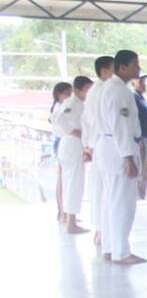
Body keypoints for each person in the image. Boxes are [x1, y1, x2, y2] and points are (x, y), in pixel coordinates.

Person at [95, 50, 145, 265]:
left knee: (110, 201)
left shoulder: (108, 87)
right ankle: (121, 251)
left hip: (107, 147)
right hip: (118, 149)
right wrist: (127, 156)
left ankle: (109, 246)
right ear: (122, 67)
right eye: (135, 65)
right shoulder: (117, 91)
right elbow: (121, 125)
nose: (138, 69)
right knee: (122, 202)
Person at [53, 76, 92, 235]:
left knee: (71, 182)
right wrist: (71, 130)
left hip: (71, 144)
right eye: (87, 90)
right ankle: (71, 222)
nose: (90, 93)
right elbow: (58, 118)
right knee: (74, 182)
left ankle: (69, 217)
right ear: (77, 90)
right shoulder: (73, 103)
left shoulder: (78, 104)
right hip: (72, 143)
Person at [83, 55, 114, 247]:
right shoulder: (103, 89)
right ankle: (102, 231)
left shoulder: (96, 90)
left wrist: (88, 145)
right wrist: (89, 145)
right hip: (103, 144)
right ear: (104, 71)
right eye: (114, 68)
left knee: (101, 189)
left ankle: (101, 231)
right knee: (105, 190)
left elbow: (87, 121)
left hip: (97, 144)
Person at [50, 81, 72, 223]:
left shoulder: (62, 107)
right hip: (61, 141)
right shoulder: (59, 108)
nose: (70, 96)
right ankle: (62, 212)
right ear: (59, 94)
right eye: (67, 94)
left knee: (66, 179)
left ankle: (65, 212)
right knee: (62, 179)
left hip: (64, 141)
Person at [131, 74, 147, 200]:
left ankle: (141, 196)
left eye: (144, 82)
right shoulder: (132, 98)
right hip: (139, 140)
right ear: (133, 83)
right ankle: (136, 197)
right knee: (139, 172)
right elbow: (133, 120)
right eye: (140, 81)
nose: (143, 84)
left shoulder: (143, 100)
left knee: (145, 171)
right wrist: (138, 138)